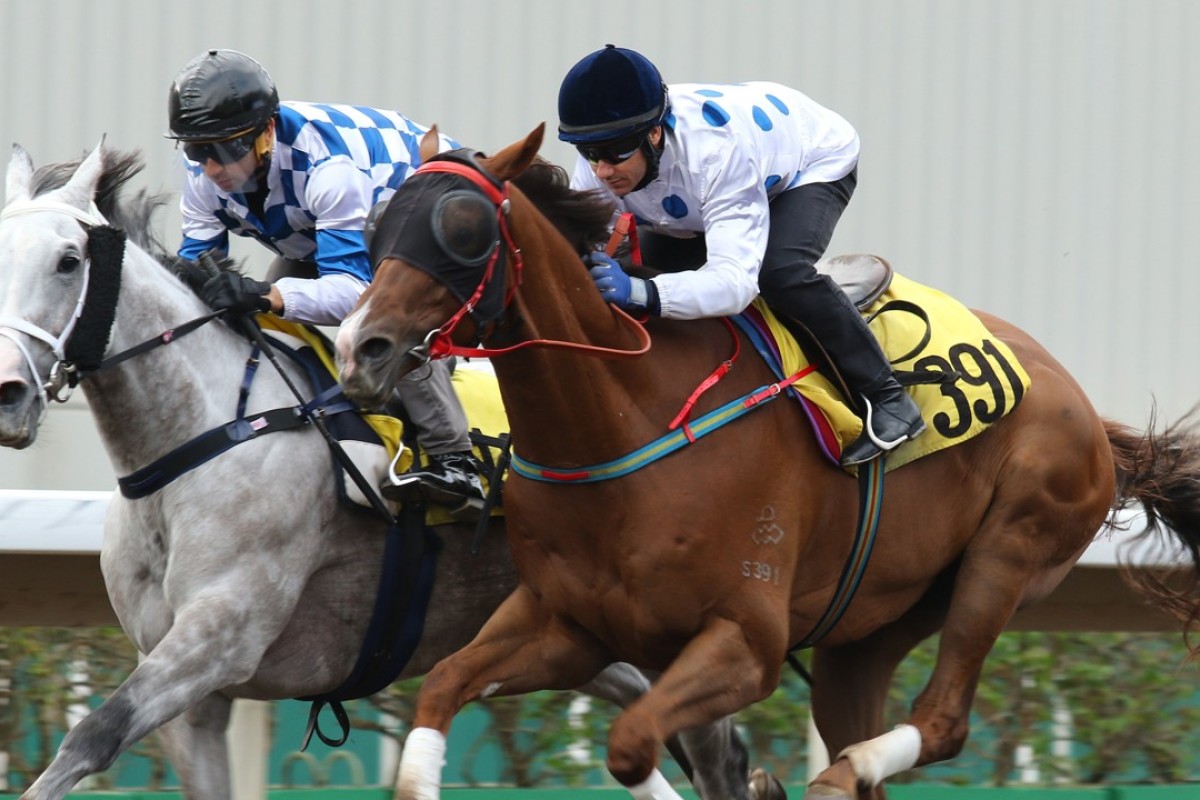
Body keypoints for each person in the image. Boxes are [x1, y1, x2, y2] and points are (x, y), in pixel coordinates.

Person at [556, 45, 925, 467]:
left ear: (653, 134)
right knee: (650, 277)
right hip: (697, 193)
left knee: (779, 273)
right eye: (589, 152)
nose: (602, 170)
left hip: (808, 161)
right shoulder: (601, 164)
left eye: (616, 152)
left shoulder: (716, 152)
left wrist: (642, 292)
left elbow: (735, 283)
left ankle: (889, 397)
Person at [165, 48, 483, 506]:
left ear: (266, 133)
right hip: (328, 230)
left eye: (226, 150)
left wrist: (264, 295)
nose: (213, 169)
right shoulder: (201, 176)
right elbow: (196, 276)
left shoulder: (329, 169)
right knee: (262, 306)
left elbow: (352, 292)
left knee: (385, 319)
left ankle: (456, 460)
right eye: (198, 150)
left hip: (431, 212)